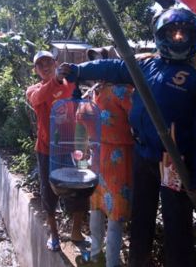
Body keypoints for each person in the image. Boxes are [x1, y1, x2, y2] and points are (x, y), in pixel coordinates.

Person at [57, 8, 196, 266]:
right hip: (143, 156)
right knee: (141, 219)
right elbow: (112, 67)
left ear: (193, 37)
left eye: (184, 33)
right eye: (172, 32)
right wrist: (78, 71)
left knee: (177, 227)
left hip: (174, 164)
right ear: (160, 35)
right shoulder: (145, 64)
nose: (178, 37)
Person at [26, 50, 89, 252]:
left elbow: (80, 106)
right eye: (40, 64)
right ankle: (54, 236)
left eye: (49, 63)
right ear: (36, 70)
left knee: (79, 189)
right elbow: (38, 99)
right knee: (49, 192)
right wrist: (54, 80)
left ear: (55, 63)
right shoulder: (34, 90)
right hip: (46, 150)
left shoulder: (69, 84)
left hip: (71, 147)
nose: (45, 66)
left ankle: (76, 232)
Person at [79, 63, 135, 267]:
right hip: (118, 158)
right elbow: (139, 120)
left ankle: (95, 256)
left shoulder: (95, 92)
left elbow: (80, 117)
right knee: (115, 214)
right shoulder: (124, 92)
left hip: (97, 156)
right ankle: (112, 262)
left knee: (97, 206)